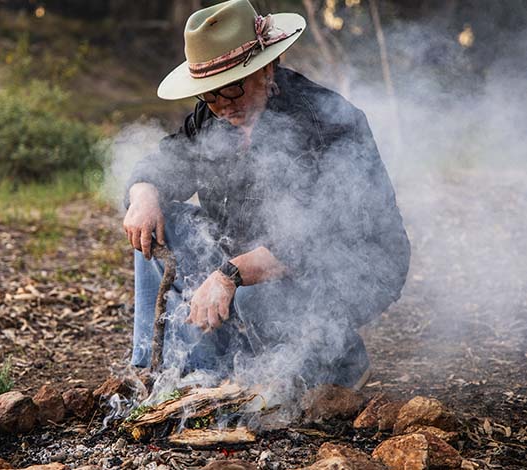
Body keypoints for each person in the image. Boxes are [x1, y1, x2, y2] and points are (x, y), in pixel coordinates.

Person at [123, 0, 410, 390]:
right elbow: (166, 161)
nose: (222, 107)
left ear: (267, 67)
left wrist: (229, 275)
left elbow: (318, 235)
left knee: (258, 298)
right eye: (210, 95)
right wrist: (143, 194)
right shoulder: (212, 114)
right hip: (251, 255)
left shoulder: (323, 121)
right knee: (165, 223)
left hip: (352, 262)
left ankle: (340, 359)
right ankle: (190, 372)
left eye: (233, 90)